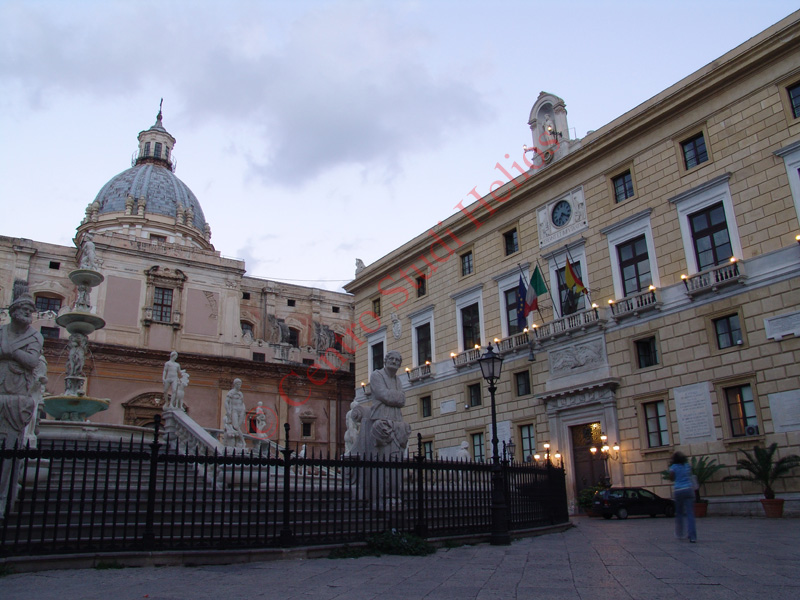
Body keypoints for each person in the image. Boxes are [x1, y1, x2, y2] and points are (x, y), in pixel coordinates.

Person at [0, 280, 44, 512]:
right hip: (4, 389)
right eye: (24, 310)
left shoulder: (35, 337)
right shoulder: (2, 332)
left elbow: (33, 361)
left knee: (11, 449)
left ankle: (4, 498)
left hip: (17, 396)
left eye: (30, 311)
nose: (28, 313)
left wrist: (10, 352)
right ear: (13, 311)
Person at [668, 451, 696, 543]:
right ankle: (692, 536)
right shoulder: (687, 466)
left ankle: (679, 533)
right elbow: (690, 475)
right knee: (690, 513)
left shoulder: (674, 467)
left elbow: (672, 478)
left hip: (679, 490)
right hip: (688, 489)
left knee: (679, 513)